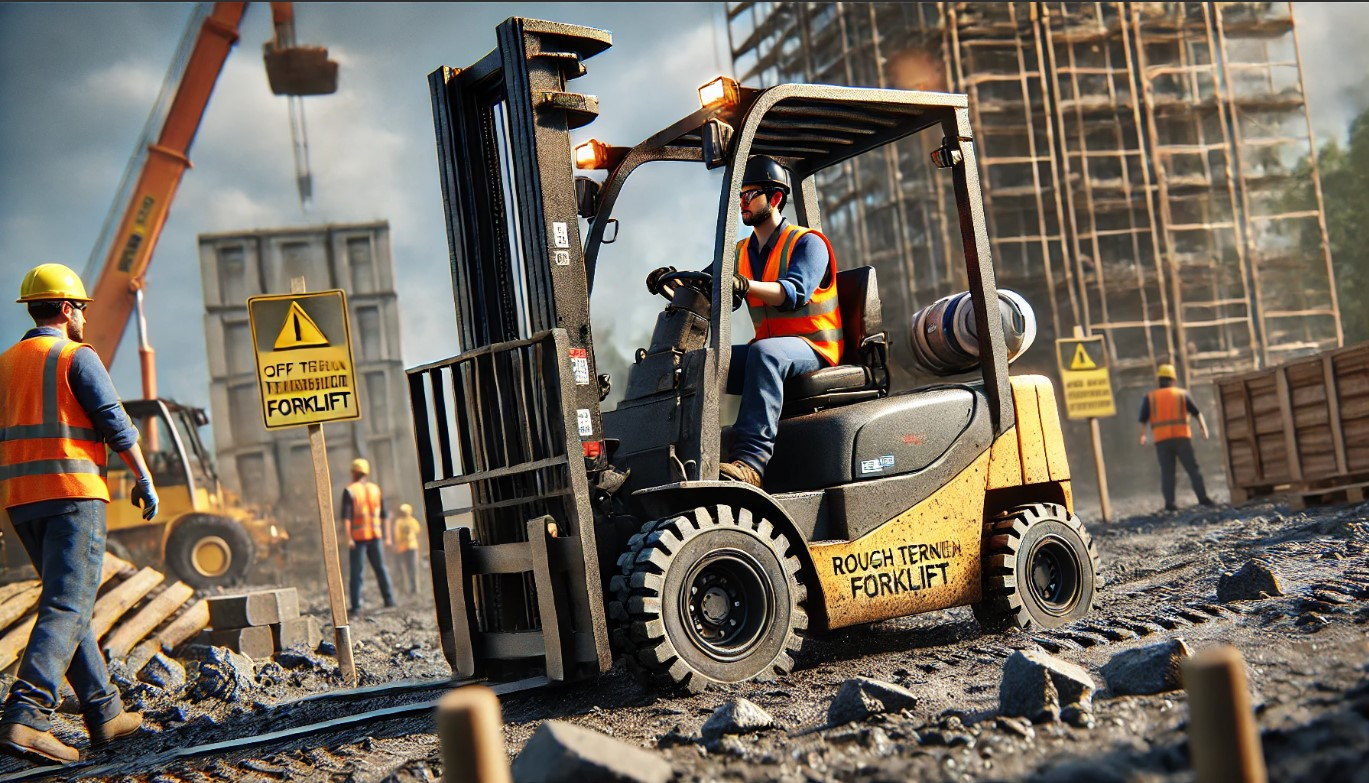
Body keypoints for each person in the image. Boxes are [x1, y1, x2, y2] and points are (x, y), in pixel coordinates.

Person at [0, 264, 155, 764]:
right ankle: (27, 717)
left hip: (22, 500)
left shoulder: (5, 364)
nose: (85, 315)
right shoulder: (76, 357)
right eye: (81, 307)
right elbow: (116, 423)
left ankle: (104, 712)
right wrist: (144, 477)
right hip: (73, 494)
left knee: (70, 602)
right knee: (69, 604)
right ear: (66, 309)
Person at [646, 155, 843, 488]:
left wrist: (744, 285)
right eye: (740, 195)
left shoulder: (807, 243)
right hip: (769, 351)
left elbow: (793, 293)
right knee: (701, 362)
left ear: (776, 198)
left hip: (816, 347)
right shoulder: (738, 251)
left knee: (766, 354)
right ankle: (683, 455)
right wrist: (672, 285)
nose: (742, 202)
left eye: (749, 194)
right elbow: (705, 288)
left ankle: (751, 463)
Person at [1139, 363, 1216, 512]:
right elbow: (1197, 413)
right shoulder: (1182, 394)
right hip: (1182, 438)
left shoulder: (1150, 397)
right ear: (1173, 379)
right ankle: (1203, 499)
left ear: (1159, 380)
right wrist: (1203, 429)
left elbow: (1143, 419)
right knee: (1193, 470)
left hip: (1162, 441)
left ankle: (1170, 504)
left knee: (1168, 473)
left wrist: (1142, 436)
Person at [341, 458, 395, 612]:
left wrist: (348, 537)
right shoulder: (375, 489)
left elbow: (347, 517)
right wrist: (388, 536)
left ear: (353, 472)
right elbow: (385, 515)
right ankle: (389, 601)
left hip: (358, 539)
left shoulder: (350, 490)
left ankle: (356, 606)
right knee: (381, 568)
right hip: (375, 535)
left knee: (357, 573)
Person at [391, 503, 421, 596]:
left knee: (410, 568)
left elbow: (416, 530)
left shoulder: (404, 521)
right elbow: (417, 530)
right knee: (408, 568)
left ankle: (413, 588)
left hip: (408, 547)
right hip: (406, 547)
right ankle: (409, 588)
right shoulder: (406, 521)